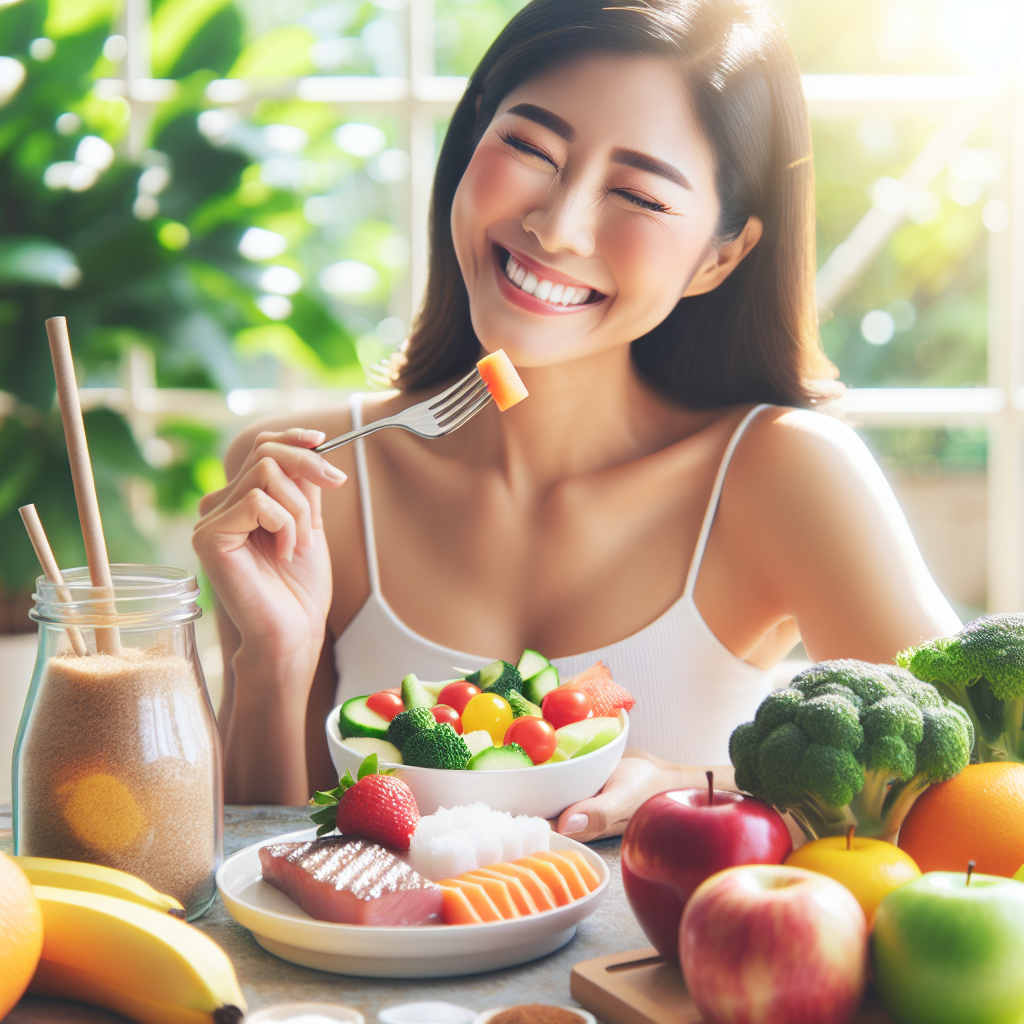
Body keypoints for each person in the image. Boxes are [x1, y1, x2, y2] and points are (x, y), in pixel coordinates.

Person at [193, 0, 960, 840]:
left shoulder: (785, 475)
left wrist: (696, 783)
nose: (556, 228)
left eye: (638, 194)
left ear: (719, 255)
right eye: (529, 147)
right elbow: (261, 859)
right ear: (477, 129)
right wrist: (272, 661)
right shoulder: (310, 482)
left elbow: (974, 792)